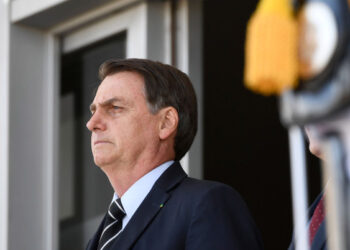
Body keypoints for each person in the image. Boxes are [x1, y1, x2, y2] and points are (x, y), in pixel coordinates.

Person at [85, 58, 263, 250]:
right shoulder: (98, 238)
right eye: (94, 111)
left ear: (166, 123)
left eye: (115, 108)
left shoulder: (207, 205)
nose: (92, 123)